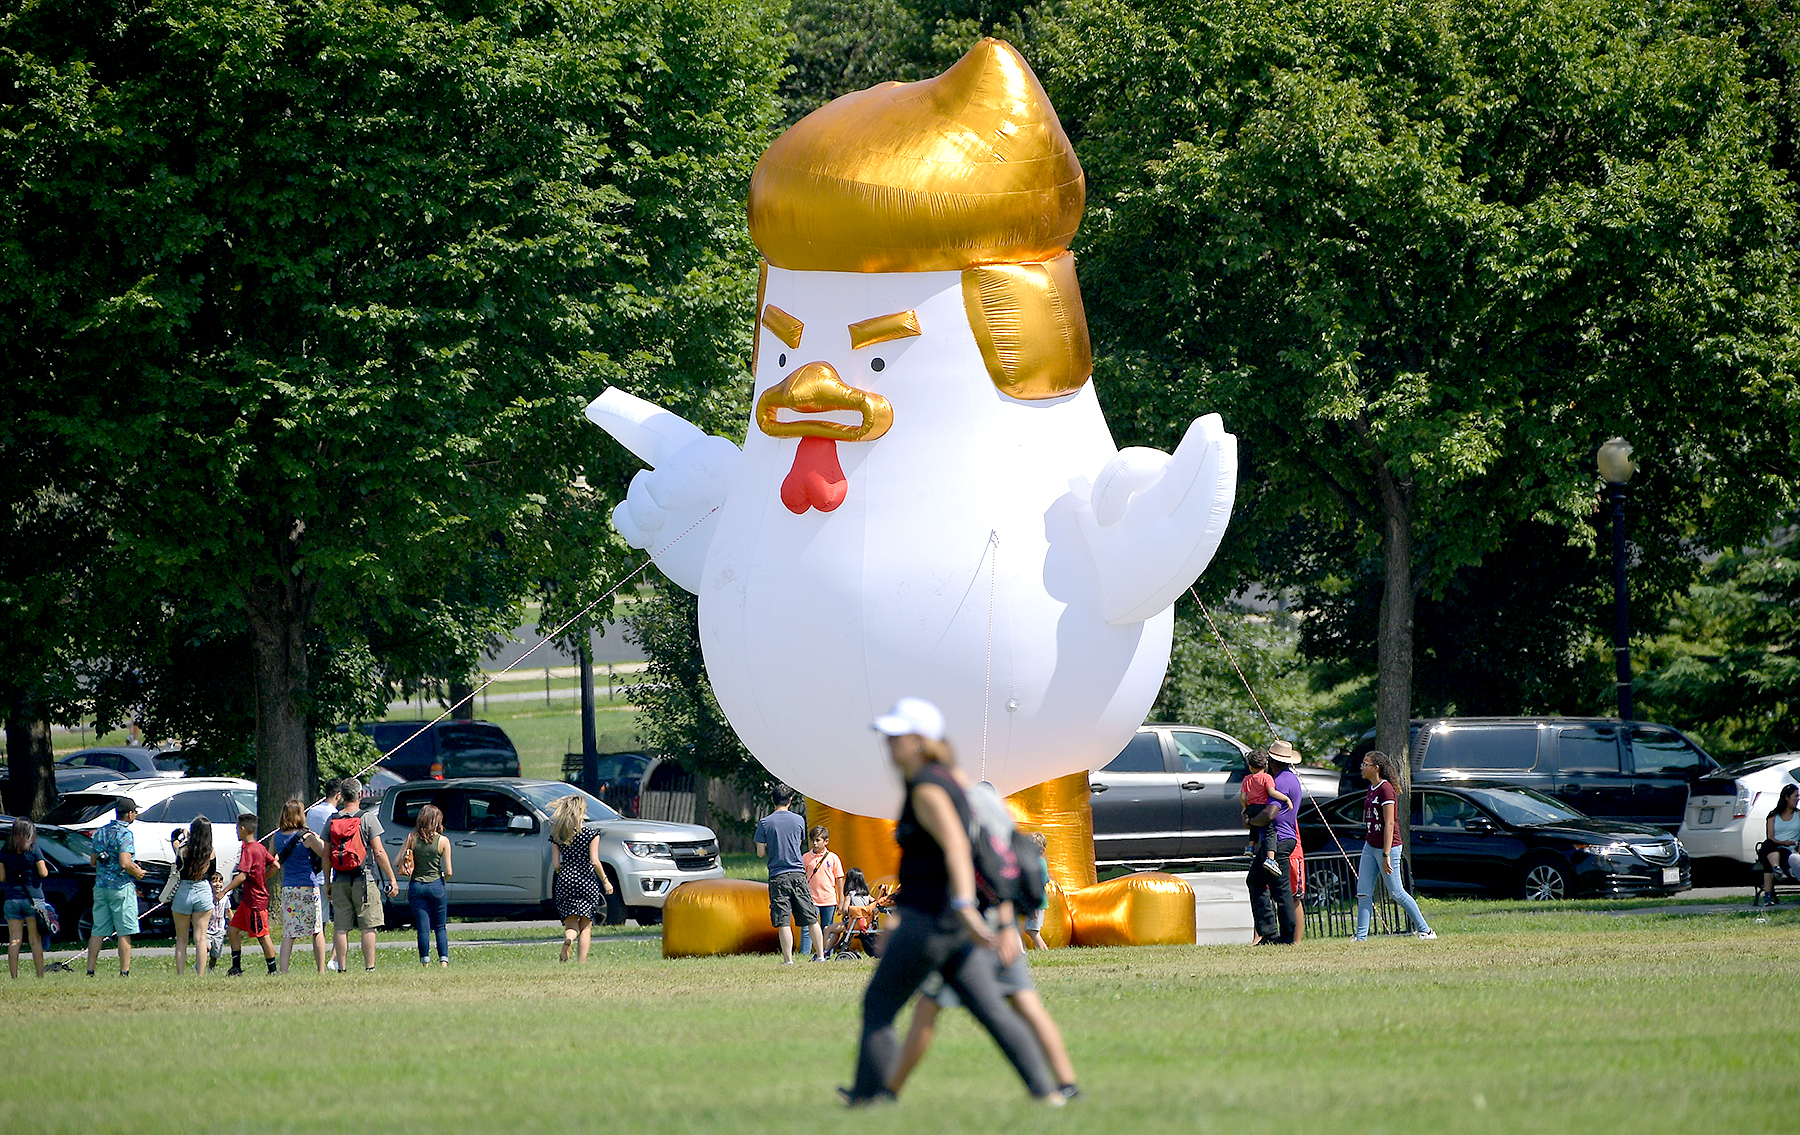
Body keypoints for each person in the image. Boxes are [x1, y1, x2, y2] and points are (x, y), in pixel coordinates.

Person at [840, 696, 1059, 1106]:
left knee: (879, 1005)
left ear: (921, 741)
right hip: (950, 924)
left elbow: (958, 846)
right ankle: (1047, 1094)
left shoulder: (926, 787)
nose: (888, 746)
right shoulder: (948, 778)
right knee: (992, 1011)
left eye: (896, 738)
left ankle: (868, 1099)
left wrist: (962, 906)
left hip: (933, 921)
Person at [1354, 750, 1437, 941]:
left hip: (1388, 847)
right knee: (1363, 891)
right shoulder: (1371, 788)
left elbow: (1390, 823)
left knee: (1396, 892)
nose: (1362, 767)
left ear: (1375, 768)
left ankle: (1426, 930)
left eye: (1365, 764)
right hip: (1370, 844)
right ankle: (1361, 938)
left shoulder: (1385, 789)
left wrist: (1385, 854)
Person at [327, 779, 399, 972]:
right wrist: (391, 878)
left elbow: (327, 855)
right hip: (364, 878)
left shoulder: (332, 820)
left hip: (340, 878)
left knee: (341, 926)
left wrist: (327, 881)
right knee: (368, 925)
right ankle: (370, 967)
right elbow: (379, 852)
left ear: (341, 796)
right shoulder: (367, 819)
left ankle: (341, 967)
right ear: (360, 795)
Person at [754, 785, 823, 964]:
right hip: (798, 874)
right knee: (810, 917)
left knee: (783, 920)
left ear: (772, 800)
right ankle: (821, 956)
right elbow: (799, 842)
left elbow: (760, 853)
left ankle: (788, 960)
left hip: (778, 875)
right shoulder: (799, 820)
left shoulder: (765, 823)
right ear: (790, 800)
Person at [86, 796, 147, 977]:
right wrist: (138, 872)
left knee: (98, 930)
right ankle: (124, 971)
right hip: (121, 887)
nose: (135, 814)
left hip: (101, 886)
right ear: (128, 814)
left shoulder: (100, 832)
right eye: (134, 812)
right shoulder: (125, 834)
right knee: (124, 931)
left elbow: (93, 861)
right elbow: (124, 862)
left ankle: (90, 970)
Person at [550, 794, 612, 964]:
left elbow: (556, 864)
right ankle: (581, 963)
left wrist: (566, 872)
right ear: (582, 811)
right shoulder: (591, 834)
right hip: (587, 881)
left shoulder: (558, 835)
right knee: (586, 926)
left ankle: (568, 939)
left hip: (566, 880)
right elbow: (595, 861)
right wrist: (605, 880)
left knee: (571, 926)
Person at [273, 799, 330, 973]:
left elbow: (272, 859)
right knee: (316, 929)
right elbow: (324, 853)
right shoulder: (307, 837)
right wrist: (320, 839)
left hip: (289, 887)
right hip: (308, 886)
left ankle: (283, 971)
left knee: (289, 933)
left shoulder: (277, 836)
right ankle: (320, 969)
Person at [224, 813, 279, 975]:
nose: (236, 832)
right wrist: (264, 876)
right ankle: (236, 967)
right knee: (233, 930)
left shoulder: (250, 850)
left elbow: (242, 875)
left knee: (262, 935)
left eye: (237, 829)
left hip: (256, 901)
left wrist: (224, 891)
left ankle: (273, 970)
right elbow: (275, 865)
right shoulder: (260, 847)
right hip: (246, 901)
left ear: (242, 829)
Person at [399, 803, 453, 966]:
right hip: (436, 884)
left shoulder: (412, 838)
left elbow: (397, 861)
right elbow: (449, 871)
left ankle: (425, 962)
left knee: (423, 926)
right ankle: (443, 960)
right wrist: (442, 880)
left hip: (416, 886)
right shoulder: (443, 841)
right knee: (440, 926)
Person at [168, 819, 218, 976]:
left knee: (181, 939)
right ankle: (201, 974)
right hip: (203, 891)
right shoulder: (210, 851)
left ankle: (181, 973)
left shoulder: (182, 849)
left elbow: (173, 837)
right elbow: (212, 873)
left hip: (184, 890)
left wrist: (182, 832)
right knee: (201, 938)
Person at [2, 819, 50, 978]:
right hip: (33, 898)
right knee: (35, 940)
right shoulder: (34, 849)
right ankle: (40, 974)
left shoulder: (4, 850)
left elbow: (2, 877)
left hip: (11, 898)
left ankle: (14, 976)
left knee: (14, 939)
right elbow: (43, 873)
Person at [1239, 749, 1293, 877]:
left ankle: (1250, 846)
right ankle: (1271, 859)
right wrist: (1286, 799)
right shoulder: (1267, 777)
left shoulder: (1247, 779)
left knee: (1253, 827)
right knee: (1270, 832)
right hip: (1262, 807)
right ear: (1265, 765)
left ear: (1250, 766)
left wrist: (1244, 807)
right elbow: (1272, 792)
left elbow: (1242, 796)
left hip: (1251, 807)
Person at [800, 826, 844, 959]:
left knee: (827, 928)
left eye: (818, 840)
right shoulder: (806, 857)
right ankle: (805, 953)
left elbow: (839, 878)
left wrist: (841, 899)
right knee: (808, 928)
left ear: (826, 841)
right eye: (813, 840)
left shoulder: (833, 858)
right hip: (811, 899)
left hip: (829, 899)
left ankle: (826, 952)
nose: (815, 843)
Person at [1755, 783, 1800, 906]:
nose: (1798, 799)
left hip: (1789, 850)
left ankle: (1768, 896)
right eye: (1795, 796)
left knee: (1769, 857)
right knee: (1769, 845)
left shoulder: (1798, 815)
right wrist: (1782, 842)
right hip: (1774, 845)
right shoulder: (1773, 816)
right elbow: (1770, 836)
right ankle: (1776, 868)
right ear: (1787, 797)